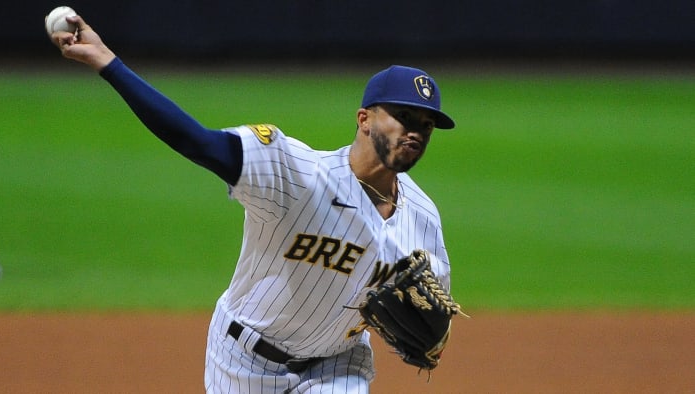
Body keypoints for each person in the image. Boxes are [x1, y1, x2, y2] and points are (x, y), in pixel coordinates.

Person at [48, 14, 457, 394]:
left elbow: (431, 314)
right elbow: (197, 141)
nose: (416, 131)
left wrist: (434, 338)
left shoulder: (423, 217)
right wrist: (107, 61)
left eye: (425, 124)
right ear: (364, 119)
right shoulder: (295, 174)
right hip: (244, 360)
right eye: (404, 116)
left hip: (338, 364)